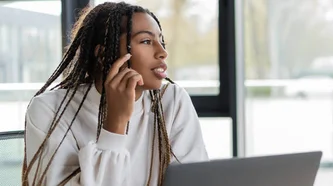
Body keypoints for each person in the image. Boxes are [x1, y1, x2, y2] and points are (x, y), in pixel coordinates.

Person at [21, 2, 209, 185]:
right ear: (103, 54)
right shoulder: (49, 110)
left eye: (161, 41)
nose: (162, 52)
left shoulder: (172, 100)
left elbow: (196, 179)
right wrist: (115, 124)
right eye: (146, 41)